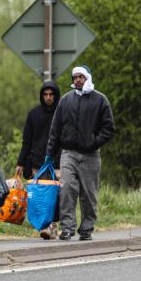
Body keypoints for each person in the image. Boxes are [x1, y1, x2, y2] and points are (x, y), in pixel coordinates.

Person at [45, 65, 115, 241]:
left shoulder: (100, 100)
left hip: (91, 155)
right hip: (68, 153)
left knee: (88, 195)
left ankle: (86, 228)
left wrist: (94, 142)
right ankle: (67, 228)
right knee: (67, 189)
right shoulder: (65, 100)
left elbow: (108, 128)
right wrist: (49, 154)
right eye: (75, 77)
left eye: (80, 77)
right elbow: (55, 129)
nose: (77, 80)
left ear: (88, 78)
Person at [15, 80, 62, 240]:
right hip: (37, 163)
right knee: (41, 197)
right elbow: (26, 141)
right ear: (42, 96)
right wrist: (21, 162)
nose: (48, 97)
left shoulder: (62, 113)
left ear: (56, 96)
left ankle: (53, 226)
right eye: (45, 94)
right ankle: (47, 227)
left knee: (56, 196)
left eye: (51, 94)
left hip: (58, 163)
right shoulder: (33, 114)